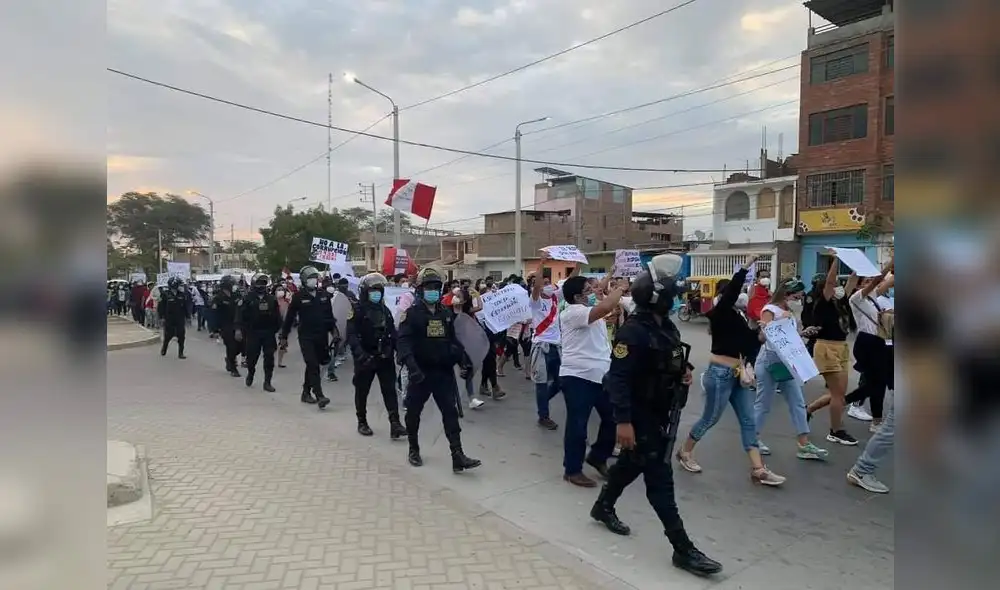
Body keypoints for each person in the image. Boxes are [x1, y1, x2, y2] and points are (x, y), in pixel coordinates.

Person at [593, 254, 723, 577]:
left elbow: (670, 357)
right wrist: (623, 422)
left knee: (631, 463)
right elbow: (618, 378)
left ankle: (603, 506)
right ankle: (682, 548)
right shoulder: (633, 332)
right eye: (672, 295)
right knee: (659, 479)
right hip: (640, 415)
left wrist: (684, 370)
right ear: (658, 299)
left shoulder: (665, 327)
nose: (677, 299)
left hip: (660, 409)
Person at [677, 255, 785, 486]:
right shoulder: (721, 312)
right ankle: (685, 451)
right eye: (738, 292)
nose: (742, 295)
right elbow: (732, 292)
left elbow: (748, 344)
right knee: (710, 418)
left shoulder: (739, 316)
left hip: (737, 374)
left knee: (748, 420)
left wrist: (762, 334)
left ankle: (758, 469)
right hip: (720, 374)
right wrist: (745, 267)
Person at [397, 268, 480, 472]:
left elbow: (453, 341)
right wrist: (413, 368)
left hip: (442, 373)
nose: (433, 291)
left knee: (450, 413)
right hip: (420, 373)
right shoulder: (412, 314)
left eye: (436, 287)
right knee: (413, 413)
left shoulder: (446, 313)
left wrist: (464, 361)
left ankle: (457, 455)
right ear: (421, 289)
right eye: (429, 287)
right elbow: (404, 344)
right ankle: (413, 449)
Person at [753, 279, 828, 460]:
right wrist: (769, 326)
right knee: (763, 403)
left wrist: (803, 333)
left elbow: (788, 337)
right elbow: (763, 337)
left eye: (800, 296)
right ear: (786, 294)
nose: (800, 299)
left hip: (788, 363)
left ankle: (804, 443)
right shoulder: (770, 310)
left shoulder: (789, 311)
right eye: (797, 296)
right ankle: (752, 439)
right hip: (770, 361)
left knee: (798, 402)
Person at [558, 273, 621, 488]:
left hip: (600, 375)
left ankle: (598, 456)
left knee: (613, 418)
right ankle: (572, 470)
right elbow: (605, 307)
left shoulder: (588, 312)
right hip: (578, 376)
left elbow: (604, 312)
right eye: (588, 290)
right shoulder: (572, 313)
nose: (593, 292)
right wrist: (620, 288)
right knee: (578, 425)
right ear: (577, 297)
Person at [805, 253, 860, 445]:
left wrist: (857, 262)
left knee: (839, 393)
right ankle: (836, 431)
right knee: (838, 395)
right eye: (834, 285)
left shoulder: (842, 301)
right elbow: (830, 281)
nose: (838, 287)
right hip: (826, 348)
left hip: (841, 348)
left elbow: (853, 280)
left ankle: (808, 410)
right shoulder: (823, 303)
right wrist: (837, 258)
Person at [346, 272, 407, 439]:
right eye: (373, 291)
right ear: (365, 292)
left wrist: (399, 351)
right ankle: (362, 421)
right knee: (362, 391)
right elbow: (351, 335)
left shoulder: (384, 310)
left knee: (390, 391)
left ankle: (395, 423)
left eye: (379, 291)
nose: (376, 294)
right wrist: (360, 355)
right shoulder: (357, 310)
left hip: (384, 358)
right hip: (365, 358)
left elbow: (392, 333)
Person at [845, 260, 895, 431]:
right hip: (867, 343)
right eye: (866, 281)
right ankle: (848, 402)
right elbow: (878, 280)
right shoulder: (856, 299)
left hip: (880, 341)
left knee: (881, 382)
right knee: (876, 383)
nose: (870, 283)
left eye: (870, 281)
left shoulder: (872, 299)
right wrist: (890, 263)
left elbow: (888, 281)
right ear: (858, 286)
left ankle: (875, 419)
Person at [280, 266, 335, 409]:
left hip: (321, 336)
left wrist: (334, 332)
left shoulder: (323, 295)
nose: (313, 281)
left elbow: (329, 316)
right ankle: (319, 395)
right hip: (306, 336)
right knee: (312, 364)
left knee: (314, 364)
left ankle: (305, 392)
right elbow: (290, 318)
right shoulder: (298, 297)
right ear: (304, 280)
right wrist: (284, 336)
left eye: (315, 278)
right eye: (310, 278)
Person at [529, 253, 564, 430]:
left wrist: (578, 263)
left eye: (549, 282)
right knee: (541, 383)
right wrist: (542, 262)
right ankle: (544, 416)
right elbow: (536, 285)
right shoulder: (535, 301)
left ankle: (542, 402)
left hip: (556, 347)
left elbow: (572, 280)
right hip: (541, 347)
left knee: (560, 382)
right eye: (544, 283)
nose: (547, 285)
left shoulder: (556, 298)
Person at [238, 273, 282, 392]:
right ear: (253, 284)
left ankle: (267, 382)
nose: (261, 285)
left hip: (268, 333)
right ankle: (251, 373)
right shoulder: (247, 298)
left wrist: (280, 330)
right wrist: (239, 330)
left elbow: (277, 316)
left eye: (263, 283)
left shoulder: (271, 299)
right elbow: (240, 315)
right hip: (253, 333)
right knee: (252, 358)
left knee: (269, 358)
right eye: (259, 283)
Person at [212, 274, 243, 378]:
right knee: (231, 346)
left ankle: (229, 358)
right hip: (225, 325)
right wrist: (215, 330)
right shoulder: (218, 297)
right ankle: (233, 368)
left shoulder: (236, 295)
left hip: (237, 324)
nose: (234, 286)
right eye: (232, 284)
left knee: (242, 346)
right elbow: (214, 314)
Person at [158, 277, 191, 359]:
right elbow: (161, 307)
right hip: (169, 319)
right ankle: (164, 348)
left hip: (180, 318)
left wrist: (188, 316)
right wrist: (161, 317)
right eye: (179, 285)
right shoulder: (165, 294)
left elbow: (185, 306)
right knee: (168, 336)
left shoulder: (182, 294)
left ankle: (181, 353)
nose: (181, 286)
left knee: (181, 336)